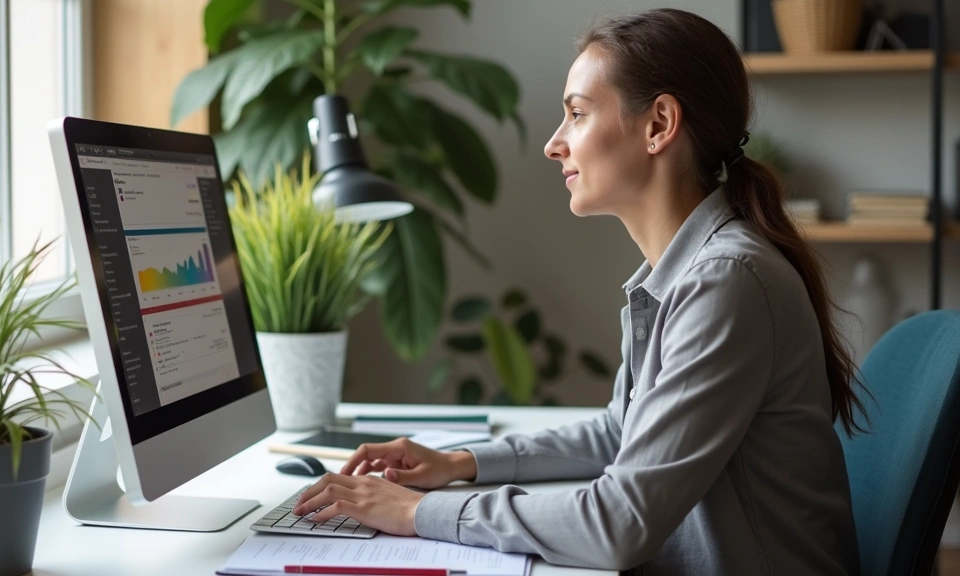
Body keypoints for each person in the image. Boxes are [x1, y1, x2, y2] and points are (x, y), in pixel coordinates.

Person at [291, 8, 864, 574]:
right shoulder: (685, 272)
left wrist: (422, 511)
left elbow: (620, 525)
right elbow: (621, 432)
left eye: (577, 114)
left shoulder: (725, 281)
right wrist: (457, 464)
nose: (554, 144)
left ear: (659, 125)